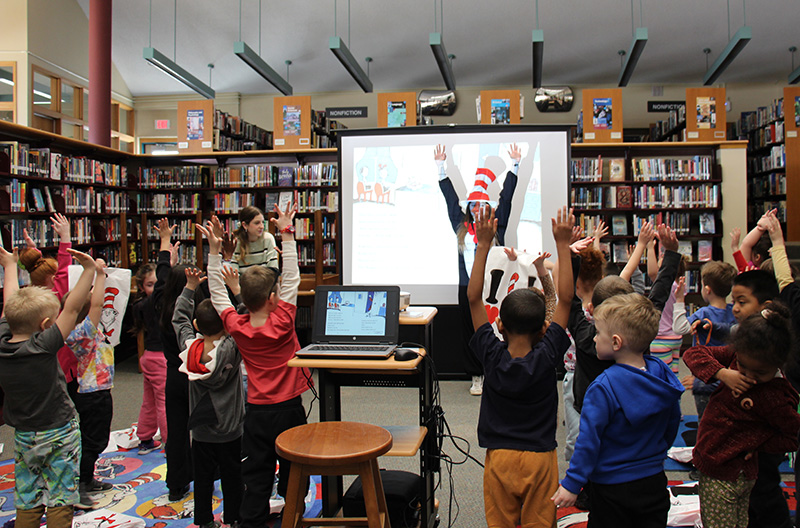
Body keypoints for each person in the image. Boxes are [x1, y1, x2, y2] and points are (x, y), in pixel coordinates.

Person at [198, 202, 312, 528]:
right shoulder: (285, 319)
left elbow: (217, 292)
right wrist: (288, 234)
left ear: (243, 300)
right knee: (294, 470)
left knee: (257, 475)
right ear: (274, 299)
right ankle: (293, 517)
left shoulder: (236, 325)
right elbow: (292, 276)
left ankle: (252, 522)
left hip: (257, 413)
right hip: (289, 408)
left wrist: (215, 251)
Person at [466, 204, 574, 528]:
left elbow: (473, 299)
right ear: (544, 327)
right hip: (540, 458)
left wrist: (482, 246)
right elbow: (566, 300)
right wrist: (563, 246)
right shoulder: (548, 355)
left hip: (499, 458)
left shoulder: (490, 354)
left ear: (498, 324)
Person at [551, 293, 684, 528]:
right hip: (653, 482)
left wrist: (573, 483)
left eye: (598, 333)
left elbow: (588, 441)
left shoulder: (603, 387)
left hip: (612, 488)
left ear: (615, 342)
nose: (593, 339)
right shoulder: (662, 374)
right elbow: (672, 422)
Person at [0, 244, 98, 528]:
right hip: (58, 431)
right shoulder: (44, 345)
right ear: (45, 324)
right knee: (60, 495)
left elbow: (10, 305)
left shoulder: (3, 340)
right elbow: (74, 307)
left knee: (27, 494)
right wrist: (89, 270)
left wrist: (9, 266)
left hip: (23, 434)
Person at [683, 302, 800, 528]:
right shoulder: (736, 358)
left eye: (759, 373)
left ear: (778, 364)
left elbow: (791, 435)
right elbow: (693, 353)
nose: (748, 377)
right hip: (714, 463)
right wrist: (723, 373)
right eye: (744, 368)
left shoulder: (774, 396)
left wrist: (757, 443)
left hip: (731, 473)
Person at [435, 143, 522, 396]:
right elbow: (450, 198)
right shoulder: (461, 227)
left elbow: (507, 196)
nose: (475, 209)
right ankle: (476, 375)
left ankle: (497, 371)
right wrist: (440, 166)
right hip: (467, 289)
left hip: (493, 289)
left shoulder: (498, 225)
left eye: (480, 204)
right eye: (472, 205)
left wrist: (515, 165)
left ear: (489, 208)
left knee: (497, 330)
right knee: (470, 332)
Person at [173, 268, 244, 528]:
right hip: (231, 430)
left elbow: (178, 320)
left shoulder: (189, 349)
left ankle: (204, 521)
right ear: (227, 324)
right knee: (232, 476)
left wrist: (189, 288)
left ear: (196, 325)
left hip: (201, 432)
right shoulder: (233, 348)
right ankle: (234, 517)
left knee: (202, 479)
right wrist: (235, 291)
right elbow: (245, 321)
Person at [63, 259, 116, 509]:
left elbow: (92, 302)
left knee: (91, 437)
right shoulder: (84, 332)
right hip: (93, 392)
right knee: (93, 440)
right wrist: (100, 274)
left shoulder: (70, 330)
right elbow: (97, 302)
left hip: (89, 389)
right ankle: (82, 485)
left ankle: (86, 479)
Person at [672, 261, 738, 419]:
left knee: (706, 419)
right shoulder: (735, 311)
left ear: (707, 290)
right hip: (730, 374)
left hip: (705, 376)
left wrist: (680, 300)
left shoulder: (703, 313)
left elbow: (680, 328)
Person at [132, 218, 174, 456]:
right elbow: (165, 288)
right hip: (160, 360)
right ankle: (169, 442)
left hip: (147, 357)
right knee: (164, 403)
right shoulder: (158, 304)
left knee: (148, 400)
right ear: (142, 286)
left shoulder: (140, 305)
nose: (156, 287)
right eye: (151, 284)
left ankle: (145, 438)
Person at [226, 206, 279, 272]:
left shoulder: (268, 239)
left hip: (266, 281)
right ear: (245, 225)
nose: (262, 226)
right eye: (257, 223)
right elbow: (233, 273)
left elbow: (273, 270)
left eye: (263, 222)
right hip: (241, 282)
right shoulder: (236, 242)